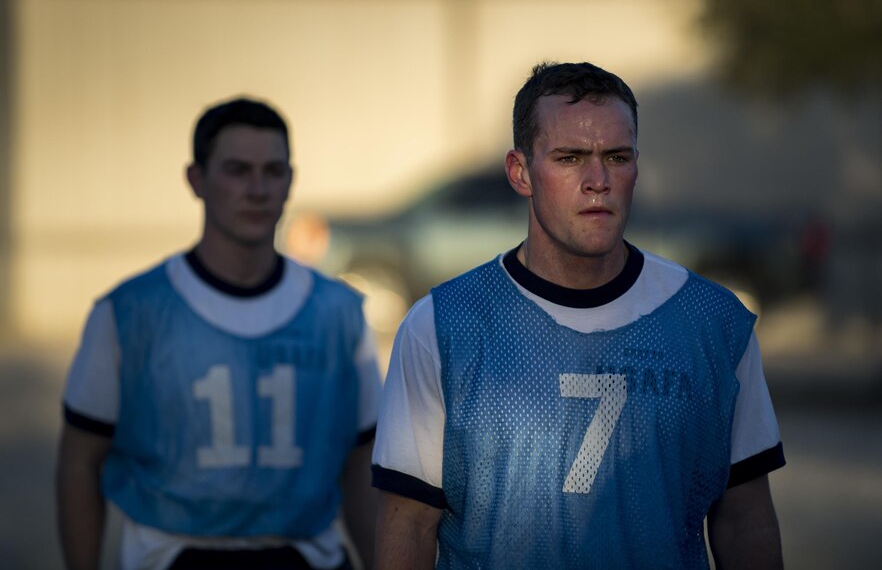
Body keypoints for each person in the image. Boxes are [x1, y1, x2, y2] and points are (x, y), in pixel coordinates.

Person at [372, 62, 785, 569]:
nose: (598, 180)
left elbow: (745, 518)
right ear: (520, 172)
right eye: (570, 158)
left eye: (616, 157)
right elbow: (409, 522)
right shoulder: (441, 325)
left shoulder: (714, 323)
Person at [56, 97, 381, 570]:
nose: (257, 188)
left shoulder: (339, 313)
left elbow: (361, 466)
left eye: (273, 171)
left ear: (290, 181)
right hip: (173, 555)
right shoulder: (129, 312)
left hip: (306, 557)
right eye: (236, 170)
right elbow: (80, 461)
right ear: (196, 179)